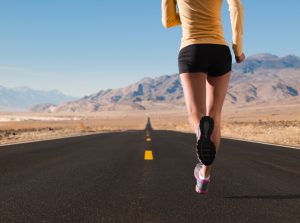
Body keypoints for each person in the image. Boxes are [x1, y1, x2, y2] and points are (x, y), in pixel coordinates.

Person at [161, 0, 245, 194]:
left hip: (192, 49)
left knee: (195, 112)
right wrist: (237, 48)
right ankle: (204, 174)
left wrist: (189, 14)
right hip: (220, 51)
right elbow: (236, 8)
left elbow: (167, 21)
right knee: (214, 114)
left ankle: (201, 133)